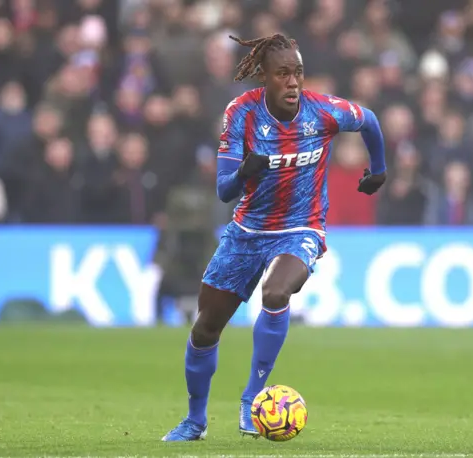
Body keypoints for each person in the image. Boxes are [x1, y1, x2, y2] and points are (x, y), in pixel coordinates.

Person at [162, 33, 387, 442]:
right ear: (263, 77)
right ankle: (195, 421)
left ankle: (252, 398)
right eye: (283, 73)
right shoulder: (241, 114)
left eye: (298, 72)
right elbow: (224, 190)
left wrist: (380, 169)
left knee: (277, 292)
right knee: (205, 329)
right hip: (248, 230)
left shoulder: (323, 111)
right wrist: (246, 172)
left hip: (302, 226)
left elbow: (369, 120)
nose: (293, 82)